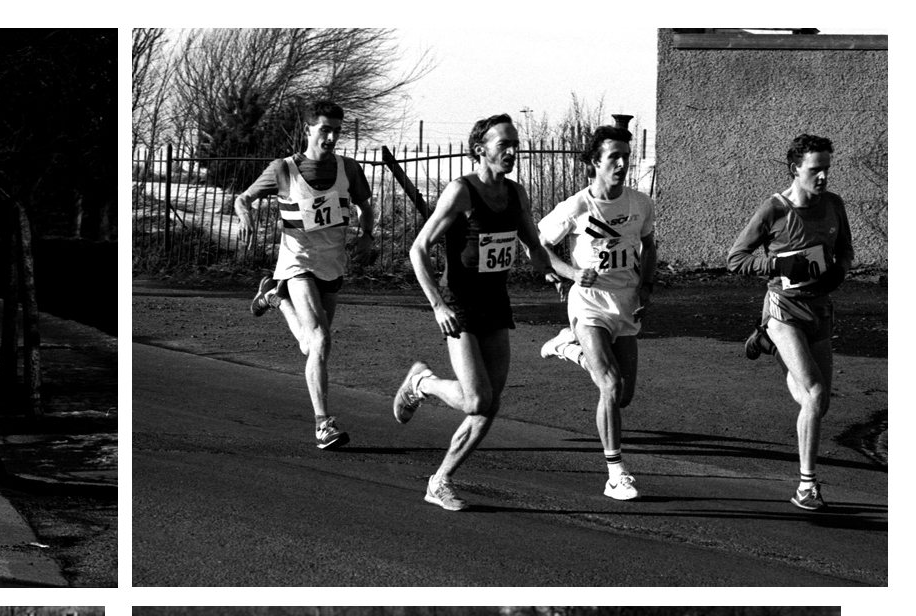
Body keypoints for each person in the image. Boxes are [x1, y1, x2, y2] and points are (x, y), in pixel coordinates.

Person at [392, 115, 557, 511]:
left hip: (496, 303)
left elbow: (535, 248)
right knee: (475, 401)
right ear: (481, 149)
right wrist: (437, 305)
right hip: (460, 304)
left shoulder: (517, 194)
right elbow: (418, 249)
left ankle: (440, 481)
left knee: (490, 404)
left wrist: (559, 274)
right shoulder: (461, 192)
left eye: (516, 143)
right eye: (505, 144)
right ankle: (423, 383)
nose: (514, 151)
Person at [233, 100, 376, 450]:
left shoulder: (350, 169)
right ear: (308, 130)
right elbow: (242, 198)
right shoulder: (284, 169)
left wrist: (368, 235)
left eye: (337, 131)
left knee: (310, 345)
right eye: (325, 129)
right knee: (322, 340)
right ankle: (323, 424)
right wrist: (244, 215)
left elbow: (365, 205)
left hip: (332, 264)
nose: (331, 137)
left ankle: (276, 299)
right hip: (297, 264)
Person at [727, 133, 854, 511]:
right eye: (816, 170)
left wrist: (839, 272)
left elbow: (845, 249)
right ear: (796, 169)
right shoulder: (775, 209)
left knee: (817, 402)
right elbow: (736, 259)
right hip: (784, 308)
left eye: (827, 169)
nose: (823, 177)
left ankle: (769, 344)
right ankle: (807, 485)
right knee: (813, 394)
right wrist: (779, 264)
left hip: (820, 310)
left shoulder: (833, 204)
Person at [536, 126, 657, 501]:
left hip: (624, 302)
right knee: (609, 385)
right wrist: (570, 273)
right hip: (588, 302)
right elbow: (538, 245)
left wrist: (647, 284)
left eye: (626, 156)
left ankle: (569, 348)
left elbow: (650, 244)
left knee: (623, 397)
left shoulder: (640, 203)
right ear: (594, 163)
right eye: (613, 157)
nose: (622, 163)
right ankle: (616, 474)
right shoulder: (577, 207)